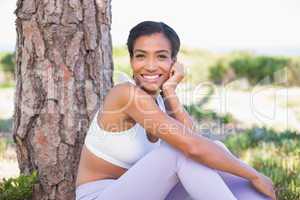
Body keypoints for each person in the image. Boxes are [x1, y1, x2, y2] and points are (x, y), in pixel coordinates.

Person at [75, 21, 276, 200]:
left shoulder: (159, 99)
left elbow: (194, 140)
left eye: (161, 57)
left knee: (216, 148)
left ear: (174, 63)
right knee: (179, 152)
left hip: (147, 191)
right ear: (131, 61)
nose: (150, 66)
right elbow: (192, 147)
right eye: (141, 56)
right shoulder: (126, 93)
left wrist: (169, 90)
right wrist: (254, 174)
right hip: (101, 195)